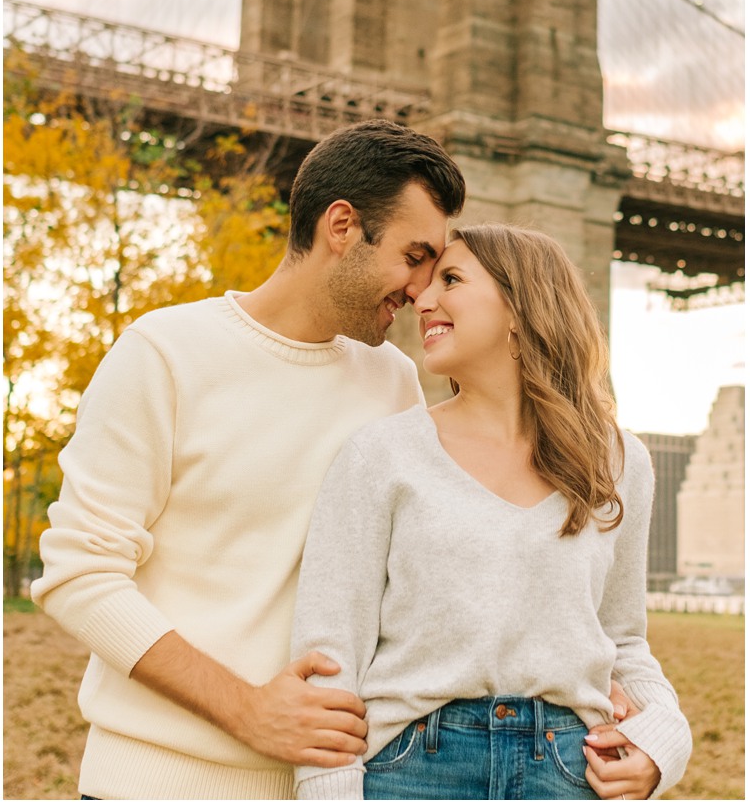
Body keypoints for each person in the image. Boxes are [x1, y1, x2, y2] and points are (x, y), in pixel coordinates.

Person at [32, 120, 468, 799]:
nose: (421, 288)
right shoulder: (165, 353)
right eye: (414, 256)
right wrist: (248, 712)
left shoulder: (395, 384)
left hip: (328, 787)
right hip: (150, 786)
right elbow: (79, 575)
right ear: (343, 226)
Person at [291, 224, 692, 800]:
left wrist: (664, 741)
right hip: (408, 768)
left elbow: (622, 640)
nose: (422, 299)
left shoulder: (620, 461)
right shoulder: (379, 455)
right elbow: (330, 654)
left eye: (450, 279)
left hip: (570, 767)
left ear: (521, 306)